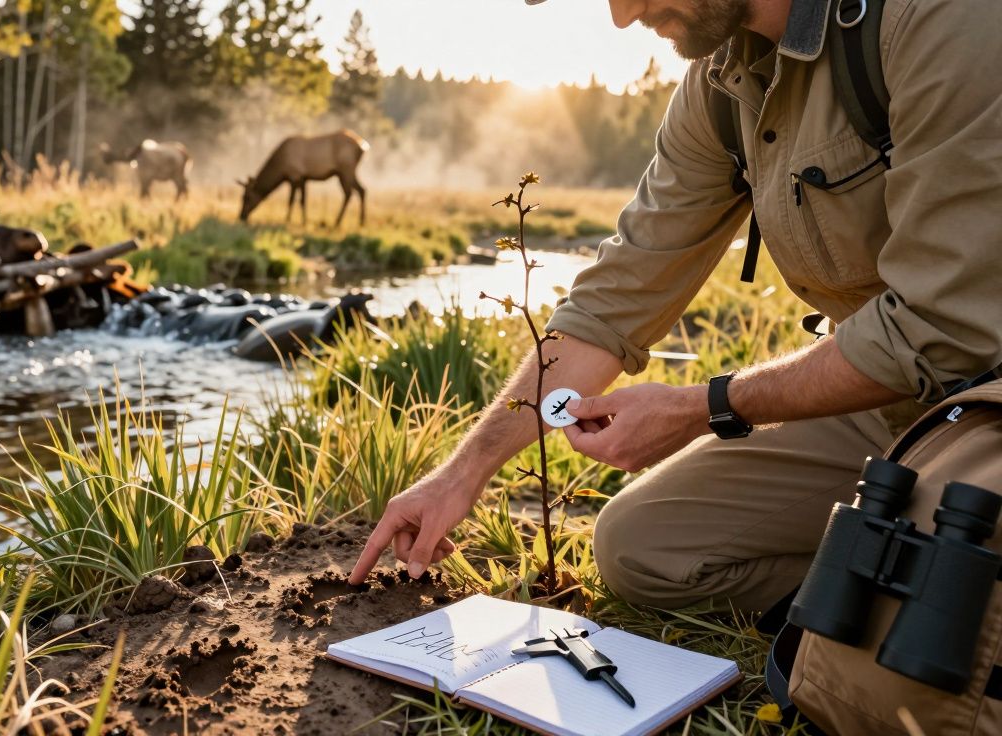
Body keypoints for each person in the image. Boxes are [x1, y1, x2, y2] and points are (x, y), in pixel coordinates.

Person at [349, 0, 1002, 613]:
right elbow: (613, 303)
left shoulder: (939, 20)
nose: (623, 15)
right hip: (886, 408)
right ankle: (915, 595)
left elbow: (938, 328)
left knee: (951, 584)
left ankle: (946, 605)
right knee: (643, 548)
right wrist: (462, 475)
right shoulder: (718, 86)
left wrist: (705, 407)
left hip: (986, 404)